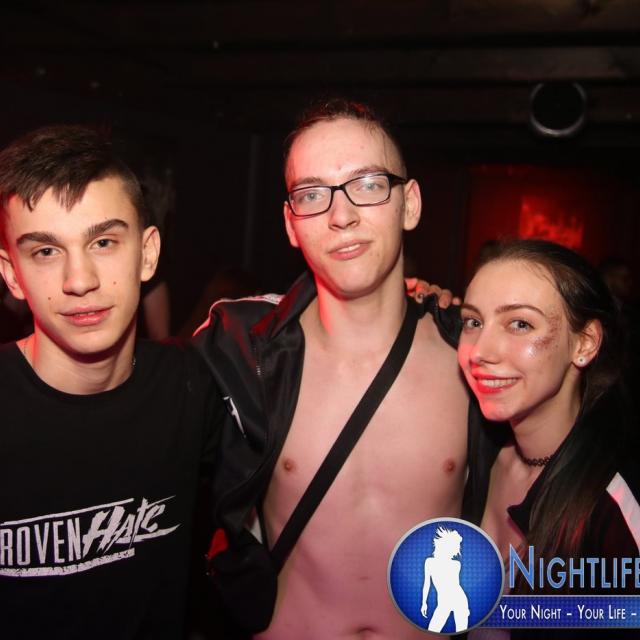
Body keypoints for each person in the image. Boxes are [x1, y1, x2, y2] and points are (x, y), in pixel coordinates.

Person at [194, 98, 470, 639]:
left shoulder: (475, 362)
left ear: (410, 204)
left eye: (368, 184)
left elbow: (519, 537)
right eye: (312, 194)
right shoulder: (239, 355)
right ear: (291, 224)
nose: (341, 216)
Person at [0, 125, 223, 639]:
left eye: (103, 242)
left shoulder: (192, 390)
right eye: (46, 251)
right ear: (11, 275)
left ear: (148, 254)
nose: (80, 280)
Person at [459, 239, 640, 637]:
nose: (479, 351)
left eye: (520, 324)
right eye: (473, 322)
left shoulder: (611, 507)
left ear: (584, 343)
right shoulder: (479, 453)